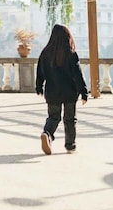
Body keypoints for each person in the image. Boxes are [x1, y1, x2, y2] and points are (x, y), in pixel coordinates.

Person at [36, 24, 89, 155]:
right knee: (70, 119)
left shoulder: (45, 53)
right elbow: (77, 74)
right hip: (69, 92)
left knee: (53, 117)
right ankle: (70, 145)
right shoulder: (71, 53)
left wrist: (39, 86)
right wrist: (83, 91)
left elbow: (40, 72)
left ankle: (47, 134)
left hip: (52, 91)